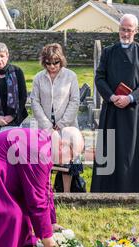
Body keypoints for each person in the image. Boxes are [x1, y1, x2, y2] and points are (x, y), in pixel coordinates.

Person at [91, 14, 139, 193]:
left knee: (135, 151)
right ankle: (106, 189)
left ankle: (138, 188)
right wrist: (112, 97)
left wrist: (130, 98)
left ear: (135, 31)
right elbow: (100, 77)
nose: (125, 33)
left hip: (135, 111)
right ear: (118, 29)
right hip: (112, 109)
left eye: (129, 30)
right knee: (110, 148)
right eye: (122, 29)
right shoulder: (108, 52)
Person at [31, 43, 81, 192]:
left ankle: (66, 193)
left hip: (67, 126)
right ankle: (47, 192)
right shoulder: (38, 78)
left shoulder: (71, 76)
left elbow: (75, 100)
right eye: (48, 63)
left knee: (66, 160)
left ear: (61, 60)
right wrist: (47, 125)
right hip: (45, 127)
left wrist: (62, 123)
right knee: (45, 160)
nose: (52, 66)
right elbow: (35, 101)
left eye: (55, 63)